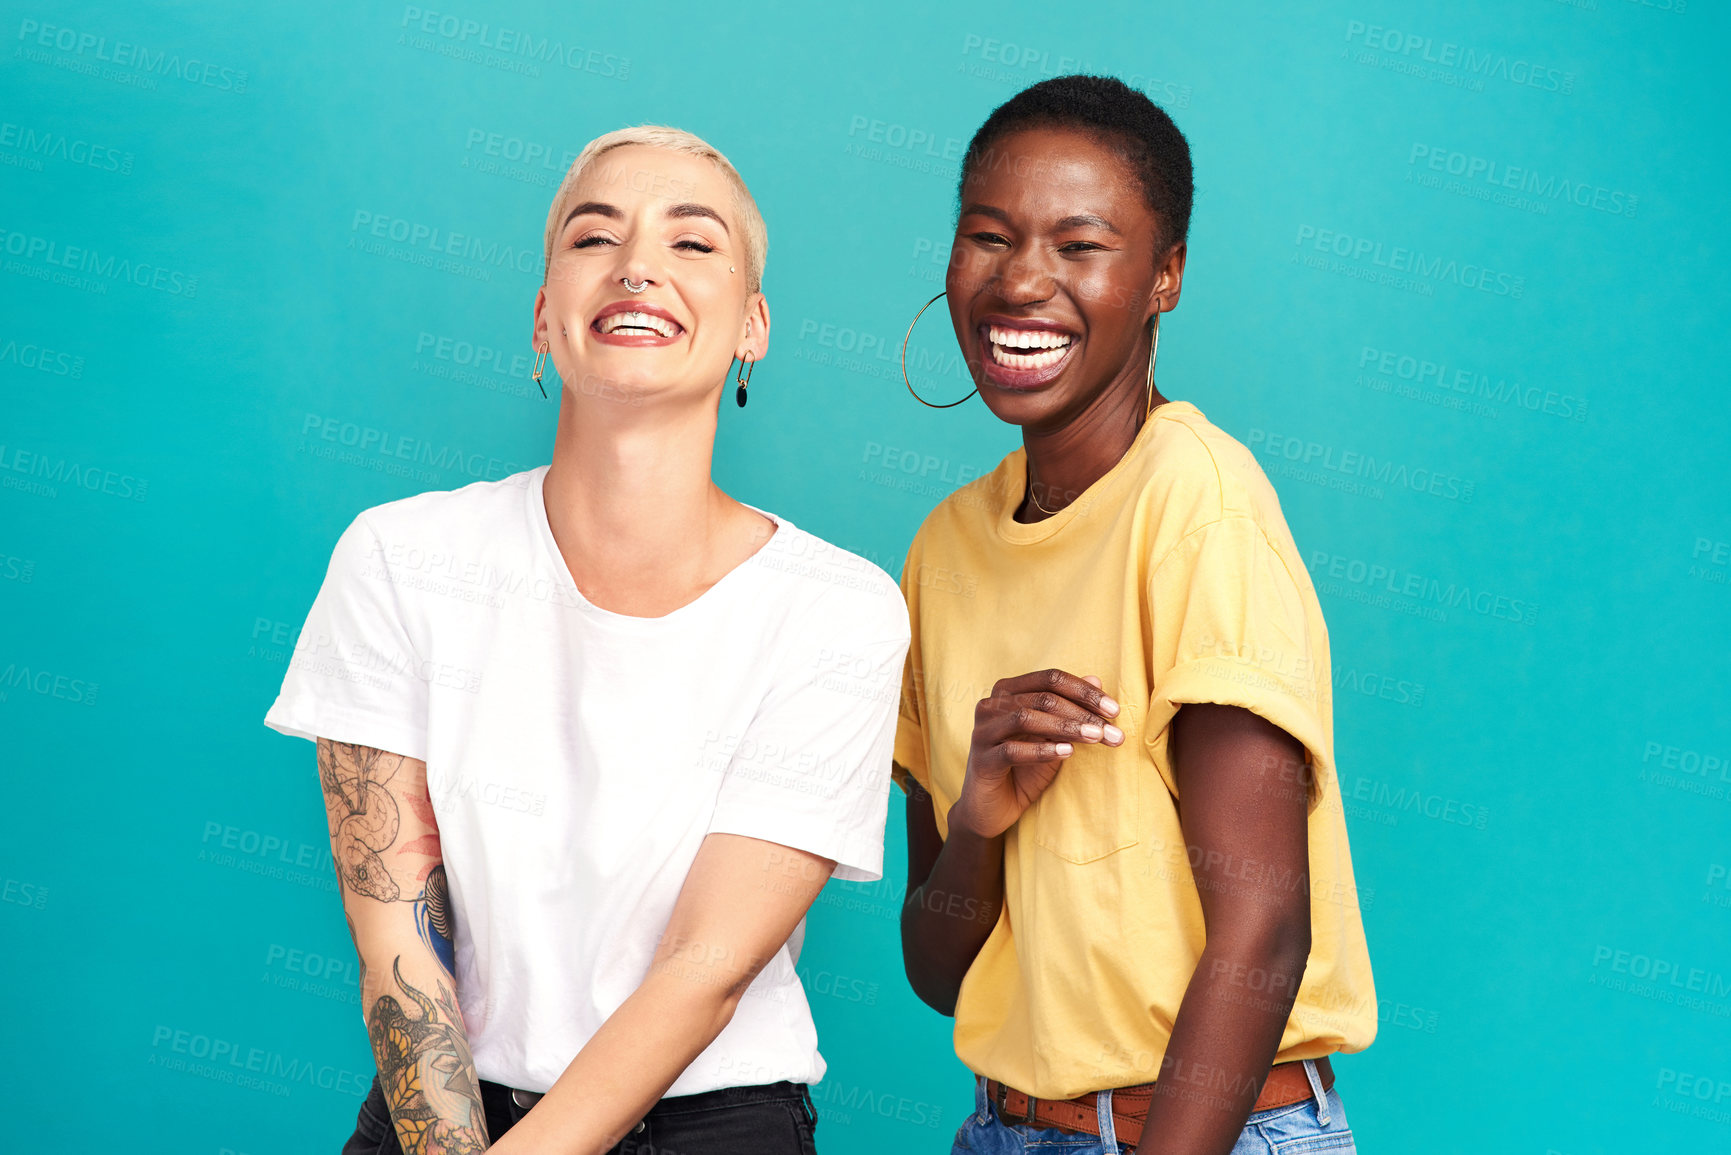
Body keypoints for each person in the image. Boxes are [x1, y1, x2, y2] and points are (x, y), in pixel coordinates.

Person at [264, 125, 910, 1155]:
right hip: (443, 1119)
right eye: (593, 236)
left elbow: (707, 968)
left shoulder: (838, 607)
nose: (637, 265)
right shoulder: (398, 555)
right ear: (542, 318)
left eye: (692, 244)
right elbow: (395, 931)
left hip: (710, 1126)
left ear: (753, 327)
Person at [893, 76, 1377, 1154]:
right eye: (989, 236)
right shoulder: (943, 551)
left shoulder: (1196, 504)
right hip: (1004, 1128)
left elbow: (1263, 931)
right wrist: (976, 817)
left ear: (1165, 277)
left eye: (1080, 246)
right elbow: (938, 976)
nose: (1022, 281)